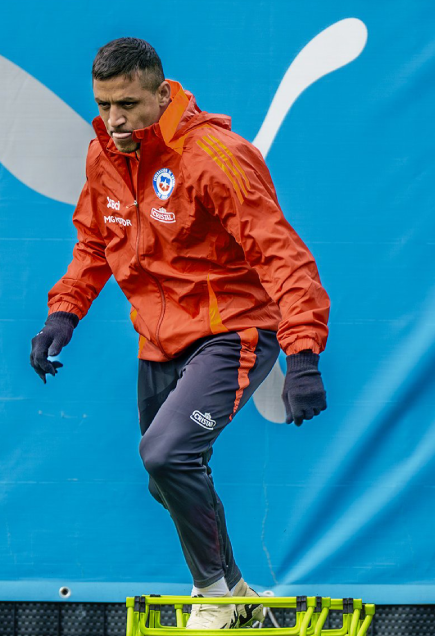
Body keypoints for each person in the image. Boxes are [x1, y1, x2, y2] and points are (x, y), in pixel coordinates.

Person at [29, 38, 328, 630]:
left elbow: (282, 257)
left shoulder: (214, 156)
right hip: (159, 341)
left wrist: (303, 353)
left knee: (167, 452)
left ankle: (213, 595)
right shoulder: (104, 155)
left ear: (162, 94)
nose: (114, 120)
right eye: (103, 104)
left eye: (128, 105)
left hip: (231, 330)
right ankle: (236, 593)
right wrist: (63, 313)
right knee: (166, 479)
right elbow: (95, 242)